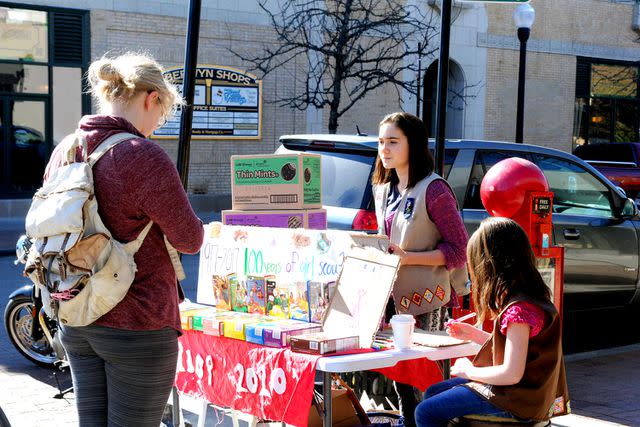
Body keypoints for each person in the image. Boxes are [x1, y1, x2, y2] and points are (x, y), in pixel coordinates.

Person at [43, 53, 204, 426]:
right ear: (151, 98)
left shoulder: (65, 149)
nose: (156, 126)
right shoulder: (141, 155)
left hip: (77, 316)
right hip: (138, 325)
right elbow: (189, 239)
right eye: (161, 114)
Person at [414, 217, 570, 427]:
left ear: (490, 267)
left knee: (425, 412)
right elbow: (520, 349)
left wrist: (469, 370)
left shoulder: (518, 310)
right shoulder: (532, 299)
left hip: (518, 402)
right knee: (434, 392)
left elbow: (511, 373)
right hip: (528, 395)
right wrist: (473, 334)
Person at [371, 112, 469, 427]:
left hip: (429, 299)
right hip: (391, 297)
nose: (384, 150)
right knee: (402, 377)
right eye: (381, 142)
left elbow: (459, 249)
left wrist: (407, 257)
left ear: (413, 144)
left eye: (393, 142)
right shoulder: (383, 188)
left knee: (427, 383)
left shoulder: (434, 189)